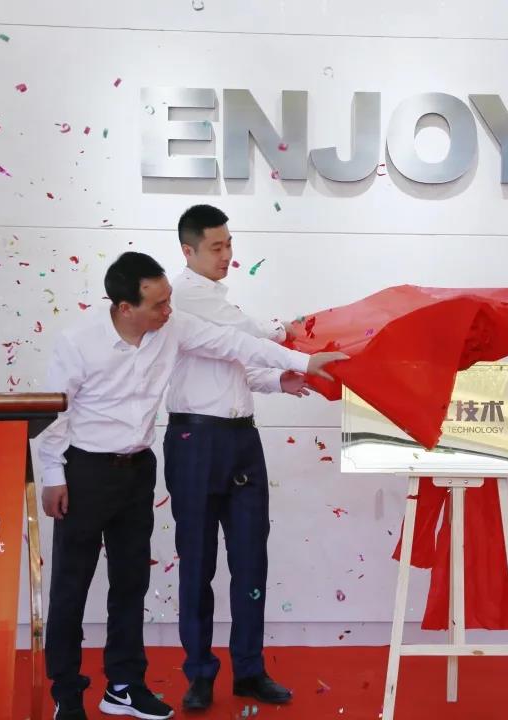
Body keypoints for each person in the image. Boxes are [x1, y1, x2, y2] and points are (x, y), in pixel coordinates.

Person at [38, 251, 345, 720]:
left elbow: (236, 343)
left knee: (130, 584)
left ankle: (123, 686)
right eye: (158, 304)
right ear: (125, 308)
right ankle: (67, 693)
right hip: (85, 471)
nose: (169, 310)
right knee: (71, 585)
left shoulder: (173, 327)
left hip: (137, 469)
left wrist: (303, 360)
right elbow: (55, 412)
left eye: (169, 300)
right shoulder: (78, 342)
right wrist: (53, 475)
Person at [163, 204, 306, 709]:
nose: (227, 255)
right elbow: (243, 336)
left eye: (229, 244)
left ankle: (249, 669)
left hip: (242, 439)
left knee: (250, 561)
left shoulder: (219, 300)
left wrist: (280, 380)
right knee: (197, 562)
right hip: (195, 441)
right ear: (188, 250)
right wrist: (288, 331)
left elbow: (236, 366)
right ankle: (200, 674)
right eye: (216, 247)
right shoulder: (181, 297)